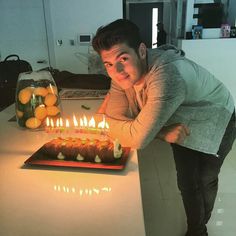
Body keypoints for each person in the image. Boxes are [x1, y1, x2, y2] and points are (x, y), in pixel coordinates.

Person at [92, 19, 236, 236]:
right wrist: (161, 131)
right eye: (109, 64)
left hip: (216, 116)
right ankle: (198, 229)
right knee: (187, 180)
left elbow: (136, 137)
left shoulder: (167, 77)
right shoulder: (120, 75)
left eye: (123, 58)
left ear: (141, 51)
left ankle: (198, 228)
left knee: (206, 178)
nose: (117, 70)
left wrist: (152, 132)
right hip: (178, 120)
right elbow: (114, 120)